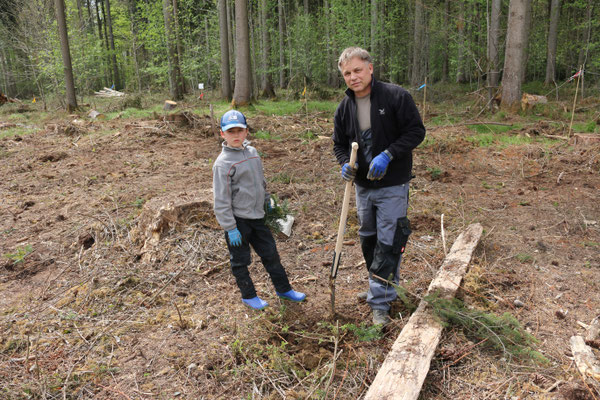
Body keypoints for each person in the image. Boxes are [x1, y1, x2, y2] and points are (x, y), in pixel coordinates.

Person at [332, 47, 426, 325]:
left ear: (370, 68)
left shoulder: (396, 97)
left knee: (389, 239)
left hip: (392, 184)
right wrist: (344, 164)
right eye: (347, 73)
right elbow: (339, 144)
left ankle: (380, 303)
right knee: (369, 237)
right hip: (363, 187)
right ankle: (381, 285)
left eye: (357, 70)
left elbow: (416, 132)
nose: (353, 77)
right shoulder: (345, 108)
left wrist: (389, 154)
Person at [212, 110, 306, 310]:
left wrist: (267, 201)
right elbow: (221, 199)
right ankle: (249, 295)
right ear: (222, 134)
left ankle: (284, 289)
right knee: (240, 261)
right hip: (238, 222)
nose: (236, 135)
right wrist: (230, 227)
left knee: (271, 254)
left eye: (240, 130)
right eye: (231, 132)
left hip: (258, 217)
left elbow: (260, 182)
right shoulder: (223, 164)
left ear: (246, 131)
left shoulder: (253, 154)